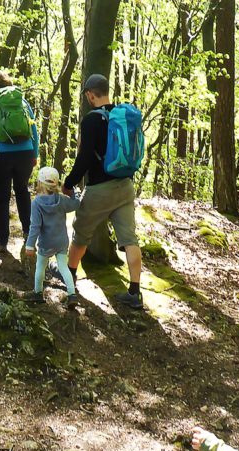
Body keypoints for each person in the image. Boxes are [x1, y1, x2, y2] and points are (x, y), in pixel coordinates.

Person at [63, 74, 144, 310]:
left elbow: (85, 158)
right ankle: (135, 292)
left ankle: (69, 277)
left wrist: (69, 183)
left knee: (81, 233)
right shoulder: (122, 115)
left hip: (99, 189)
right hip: (125, 186)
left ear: (90, 94)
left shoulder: (91, 120)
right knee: (129, 239)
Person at [0, 71, 40, 252]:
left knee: (3, 197)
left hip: (1, 156)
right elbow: (34, 131)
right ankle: (29, 235)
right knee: (22, 191)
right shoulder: (23, 102)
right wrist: (34, 154)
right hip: (25, 153)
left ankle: (2, 242)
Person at [25, 167, 80, 307]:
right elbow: (75, 204)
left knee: (40, 267)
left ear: (40, 183)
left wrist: (30, 245)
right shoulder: (61, 199)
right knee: (64, 267)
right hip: (61, 241)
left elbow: (35, 226)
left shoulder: (36, 203)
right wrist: (75, 193)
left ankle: (38, 292)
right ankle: (72, 294)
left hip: (46, 243)